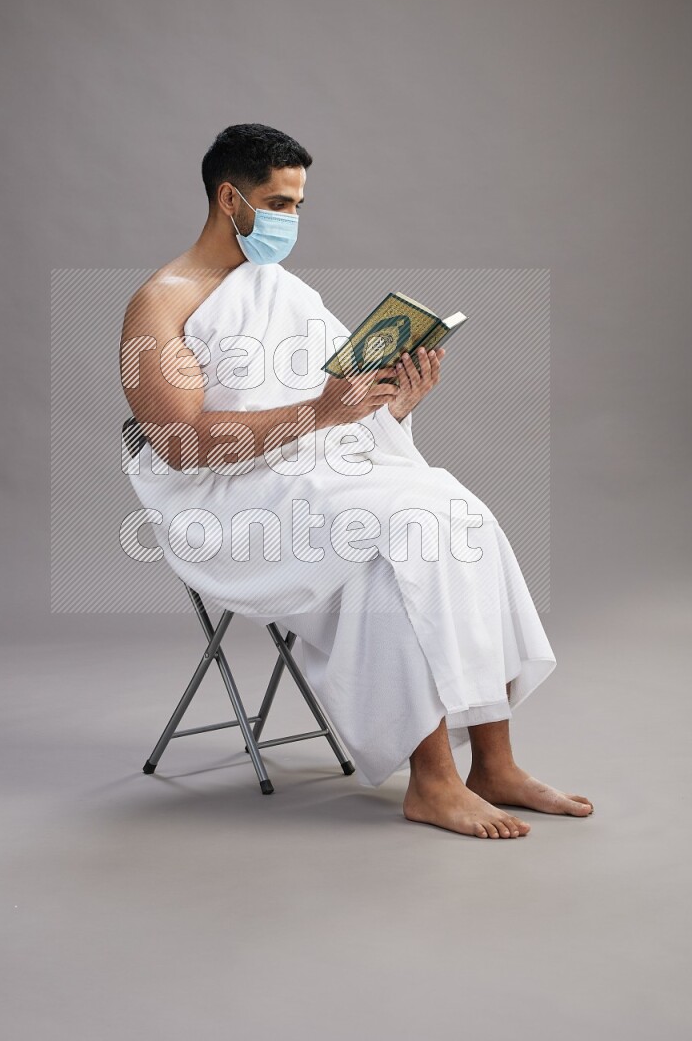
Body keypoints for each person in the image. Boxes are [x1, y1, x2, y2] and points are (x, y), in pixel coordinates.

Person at [120, 122, 594, 839]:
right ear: (229, 199)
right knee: (400, 536)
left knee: (460, 513)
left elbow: (337, 406)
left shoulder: (282, 290)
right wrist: (321, 410)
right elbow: (180, 446)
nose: (290, 221)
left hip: (315, 470)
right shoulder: (159, 303)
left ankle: (493, 764)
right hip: (228, 503)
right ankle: (430, 781)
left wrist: (392, 405)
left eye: (298, 206)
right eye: (278, 204)